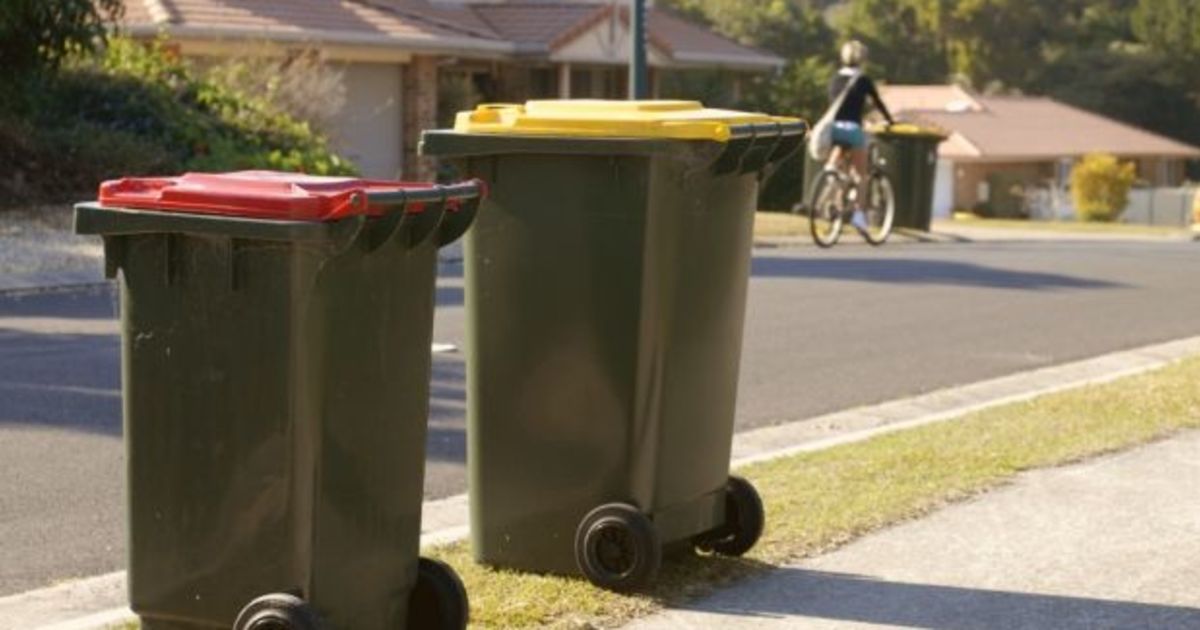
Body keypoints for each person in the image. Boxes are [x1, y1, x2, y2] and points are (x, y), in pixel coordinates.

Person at [827, 40, 895, 225]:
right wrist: (890, 121)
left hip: (833, 129)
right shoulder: (862, 80)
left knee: (841, 162)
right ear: (862, 59)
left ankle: (832, 179)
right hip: (853, 129)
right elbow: (877, 102)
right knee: (861, 175)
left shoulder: (835, 79)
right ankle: (858, 214)